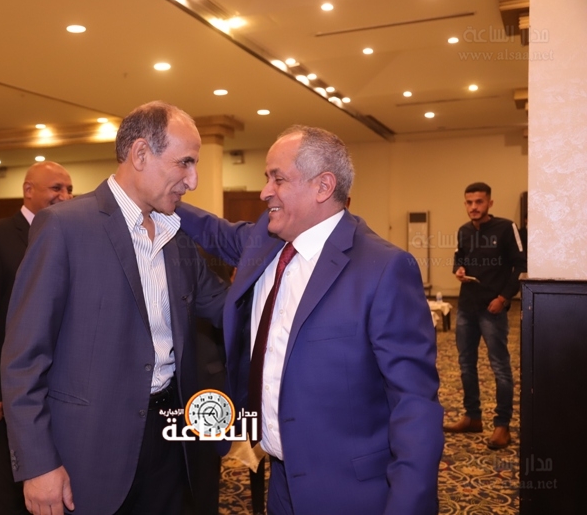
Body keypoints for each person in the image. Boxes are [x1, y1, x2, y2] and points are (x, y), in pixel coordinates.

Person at [177, 125, 444, 515]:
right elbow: (213, 232)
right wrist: (152, 194)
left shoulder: (384, 268)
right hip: (282, 483)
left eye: (278, 179)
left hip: (351, 493)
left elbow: (414, 404)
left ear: (323, 186)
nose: (265, 191)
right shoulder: (266, 240)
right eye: (266, 178)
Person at [1, 101, 227, 515]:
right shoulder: (65, 227)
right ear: (140, 154)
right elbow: (24, 358)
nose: (192, 180)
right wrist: (38, 463)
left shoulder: (177, 235)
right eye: (185, 162)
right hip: (90, 448)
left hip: (172, 440)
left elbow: (226, 308)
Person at [0, 161, 73, 514]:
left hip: (61, 388)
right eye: (56, 188)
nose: (65, 196)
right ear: (28, 190)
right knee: (13, 493)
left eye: (69, 189)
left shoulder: (71, 234)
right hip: (9, 393)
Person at [444, 182, 526, 450]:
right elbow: (459, 257)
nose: (473, 207)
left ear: (490, 203)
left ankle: (502, 426)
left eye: (479, 202)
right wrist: (459, 269)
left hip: (493, 308)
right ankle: (472, 417)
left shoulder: (506, 228)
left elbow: (521, 264)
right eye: (469, 202)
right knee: (466, 364)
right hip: (466, 307)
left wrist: (503, 298)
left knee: (500, 367)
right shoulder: (464, 231)